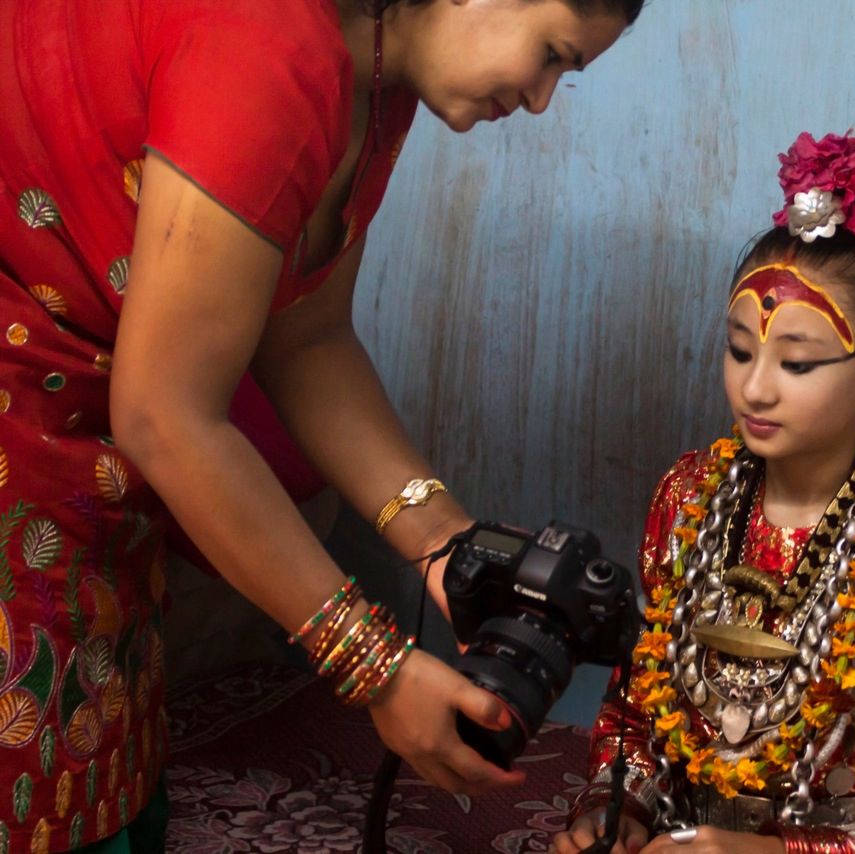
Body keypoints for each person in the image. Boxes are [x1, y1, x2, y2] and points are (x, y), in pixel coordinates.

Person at [0, 0, 643, 849]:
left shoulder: (376, 73)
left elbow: (305, 334)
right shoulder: (265, 45)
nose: (539, 101)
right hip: (30, 414)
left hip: (90, 429)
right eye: (553, 55)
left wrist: (447, 543)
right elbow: (165, 414)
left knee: (98, 762)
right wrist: (375, 669)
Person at [553, 131, 855, 854]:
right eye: (740, 349)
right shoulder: (686, 501)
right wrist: (621, 808)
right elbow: (635, 710)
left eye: (797, 362)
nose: (755, 386)